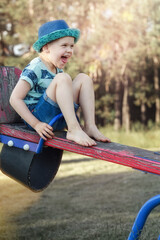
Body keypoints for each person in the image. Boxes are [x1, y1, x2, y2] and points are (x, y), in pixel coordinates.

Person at [10, 20, 111, 147]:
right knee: (63, 78)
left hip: (56, 117)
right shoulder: (36, 67)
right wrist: (36, 124)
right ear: (46, 48)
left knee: (83, 78)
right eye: (64, 46)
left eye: (72, 46)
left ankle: (90, 126)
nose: (69, 50)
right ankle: (73, 129)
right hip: (39, 119)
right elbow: (14, 99)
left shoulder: (57, 69)